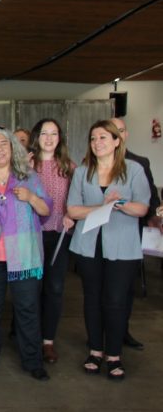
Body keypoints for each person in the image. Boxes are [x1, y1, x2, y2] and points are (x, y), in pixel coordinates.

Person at [67, 120, 150, 380]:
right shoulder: (82, 172)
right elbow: (73, 210)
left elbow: (142, 208)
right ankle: (95, 351)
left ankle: (114, 355)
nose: (97, 143)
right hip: (89, 245)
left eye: (103, 137)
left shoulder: (134, 170)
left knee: (115, 300)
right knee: (92, 299)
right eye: (93, 138)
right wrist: (100, 207)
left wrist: (120, 203)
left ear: (116, 141)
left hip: (122, 245)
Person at [0, 127, 52, 381]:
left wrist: (30, 197)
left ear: (12, 148)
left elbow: (45, 210)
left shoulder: (28, 177)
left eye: (3, 144)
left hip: (24, 257)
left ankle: (33, 360)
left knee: (27, 308)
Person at [28, 119, 76, 364]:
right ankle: (29, 337)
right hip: (30, 235)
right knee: (31, 289)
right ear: (37, 137)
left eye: (54, 133)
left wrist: (71, 215)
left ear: (60, 138)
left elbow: (76, 200)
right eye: (44, 133)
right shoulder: (27, 165)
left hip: (58, 235)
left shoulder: (68, 167)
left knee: (54, 288)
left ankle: (48, 341)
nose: (49, 138)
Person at [110, 117, 160, 350]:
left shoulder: (140, 163)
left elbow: (151, 198)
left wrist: (153, 216)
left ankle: (122, 331)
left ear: (125, 134)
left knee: (126, 287)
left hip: (130, 233)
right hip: (104, 233)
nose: (116, 136)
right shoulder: (94, 163)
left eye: (119, 131)